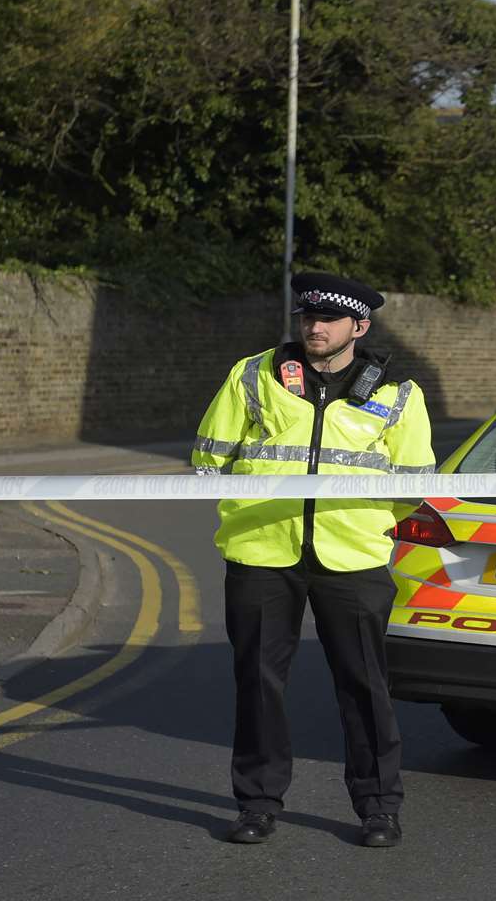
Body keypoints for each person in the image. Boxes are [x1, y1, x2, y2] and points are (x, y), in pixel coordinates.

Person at [191, 271, 435, 849]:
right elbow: (209, 459)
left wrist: (368, 526)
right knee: (257, 683)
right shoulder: (253, 376)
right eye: (308, 317)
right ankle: (257, 803)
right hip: (261, 551)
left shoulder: (399, 392)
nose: (315, 327)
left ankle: (378, 807)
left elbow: (414, 482)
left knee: (364, 685)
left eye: (328, 319)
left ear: (360, 325)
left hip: (353, 557)